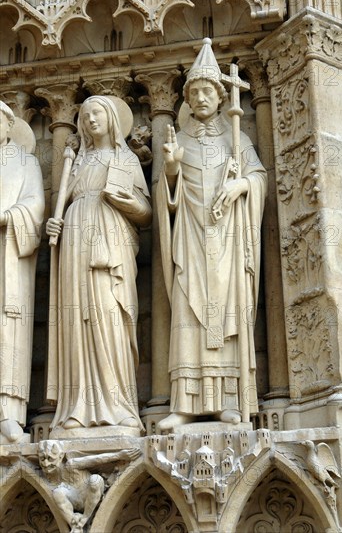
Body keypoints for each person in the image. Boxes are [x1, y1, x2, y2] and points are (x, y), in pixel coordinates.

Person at [157, 39, 267, 432]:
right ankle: (184, 403)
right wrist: (170, 168)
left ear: (221, 97)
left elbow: (257, 177)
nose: (201, 97)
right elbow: (166, 196)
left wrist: (243, 187)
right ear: (187, 98)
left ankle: (229, 401)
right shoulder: (180, 142)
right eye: (195, 92)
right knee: (189, 313)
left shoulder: (236, 140)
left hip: (227, 240)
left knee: (227, 313)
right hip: (190, 239)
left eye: (207, 91)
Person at [46, 96, 151, 432]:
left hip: (112, 243)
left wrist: (126, 202)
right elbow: (64, 203)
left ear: (112, 119)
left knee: (111, 316)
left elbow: (147, 214)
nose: (90, 119)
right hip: (75, 245)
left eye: (97, 113)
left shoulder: (126, 159)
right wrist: (54, 225)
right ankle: (75, 407)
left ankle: (119, 406)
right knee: (77, 321)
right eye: (85, 115)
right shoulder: (75, 162)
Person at [0, 100, 44, 442]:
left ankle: (9, 414)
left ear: (8, 125)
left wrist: (8, 218)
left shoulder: (26, 162)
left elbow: (35, 206)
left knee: (8, 328)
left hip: (9, 254)